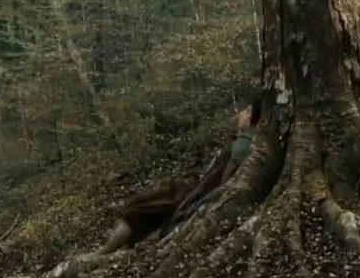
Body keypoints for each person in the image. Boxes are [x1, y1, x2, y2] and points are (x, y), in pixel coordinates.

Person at [92, 99, 264, 255]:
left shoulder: (243, 145)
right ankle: (110, 250)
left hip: (200, 195)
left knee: (142, 207)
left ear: (252, 119)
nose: (241, 113)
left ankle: (104, 253)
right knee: (146, 205)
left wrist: (198, 203)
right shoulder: (243, 141)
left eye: (247, 111)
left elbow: (225, 183)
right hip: (196, 190)